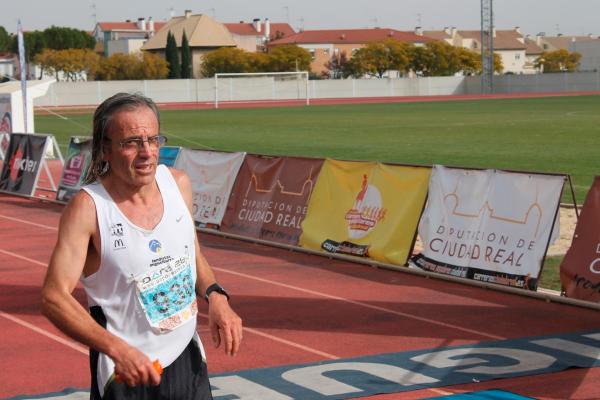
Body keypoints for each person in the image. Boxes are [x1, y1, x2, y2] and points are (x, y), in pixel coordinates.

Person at [41, 93, 242, 399]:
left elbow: (192, 254)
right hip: (125, 372)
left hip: (185, 359)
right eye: (132, 142)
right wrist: (117, 349)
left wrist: (216, 295)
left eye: (153, 139)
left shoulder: (179, 184)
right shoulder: (89, 208)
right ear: (105, 149)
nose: (147, 152)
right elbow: (54, 297)